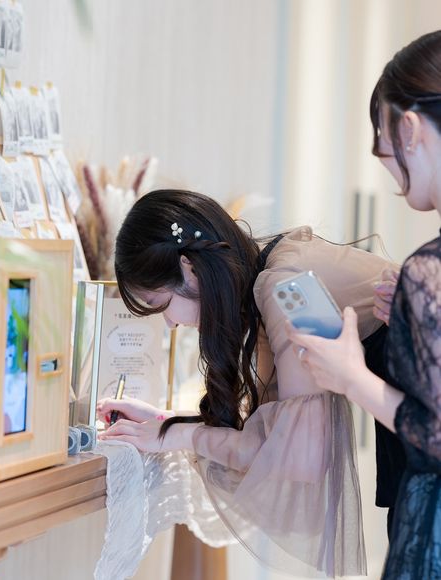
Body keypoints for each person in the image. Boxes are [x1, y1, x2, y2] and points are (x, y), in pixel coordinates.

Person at [97, 188, 394, 577]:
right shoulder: (273, 278)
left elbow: (299, 459)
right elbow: (275, 442)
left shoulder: (286, 287)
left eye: (159, 304)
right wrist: (168, 424)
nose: (169, 324)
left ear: (189, 269)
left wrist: (179, 434)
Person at [286, 31, 441, 579]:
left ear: (409, 128)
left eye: (382, 135)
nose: (382, 157)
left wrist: (350, 377)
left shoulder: (430, 270)